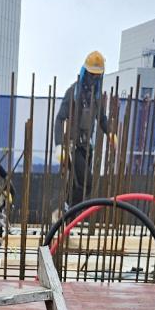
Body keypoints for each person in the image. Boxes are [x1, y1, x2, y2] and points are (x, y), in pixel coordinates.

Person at [54, 51, 117, 210]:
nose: (94, 78)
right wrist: (59, 145)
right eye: (91, 74)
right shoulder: (73, 92)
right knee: (86, 184)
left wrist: (110, 132)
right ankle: (66, 211)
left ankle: (66, 215)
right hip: (73, 147)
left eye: (97, 75)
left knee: (78, 187)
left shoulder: (96, 97)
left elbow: (101, 118)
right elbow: (60, 118)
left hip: (87, 147)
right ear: (85, 73)